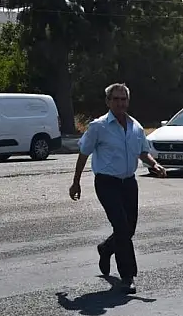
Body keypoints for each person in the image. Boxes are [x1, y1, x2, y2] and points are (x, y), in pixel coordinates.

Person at [69, 83, 166, 294]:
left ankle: (106, 249)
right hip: (107, 183)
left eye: (123, 99)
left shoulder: (135, 127)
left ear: (128, 101)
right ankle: (127, 276)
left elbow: (142, 152)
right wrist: (76, 182)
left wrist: (154, 164)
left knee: (128, 229)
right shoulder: (98, 127)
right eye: (116, 99)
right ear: (108, 102)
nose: (120, 103)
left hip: (129, 183)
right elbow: (84, 153)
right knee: (121, 227)